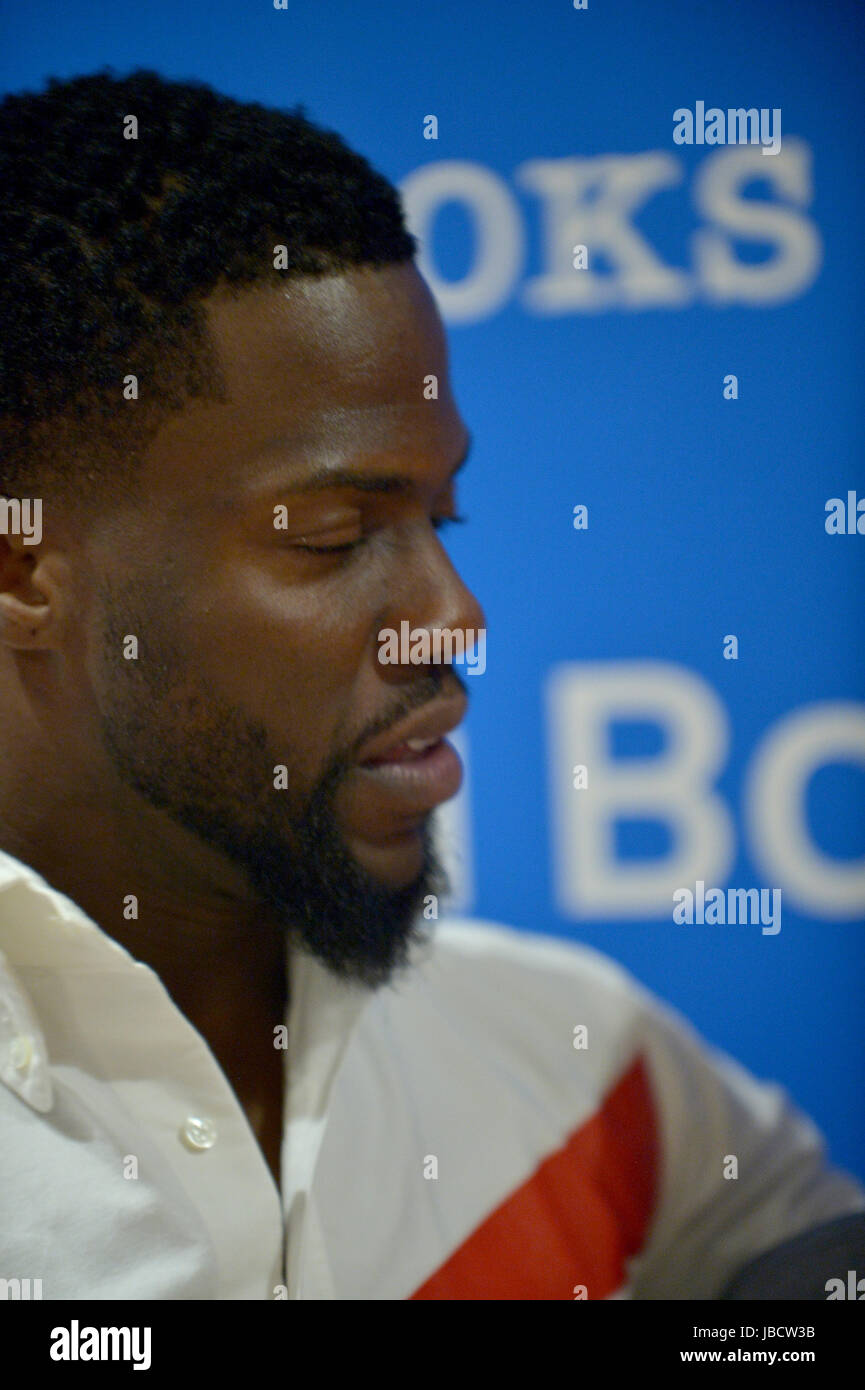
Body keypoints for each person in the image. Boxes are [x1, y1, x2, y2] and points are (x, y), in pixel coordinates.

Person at [0, 68, 861, 1301]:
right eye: (334, 537)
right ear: (24, 565)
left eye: (440, 514)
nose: (455, 618)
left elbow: (803, 1243)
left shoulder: (575, 1054)